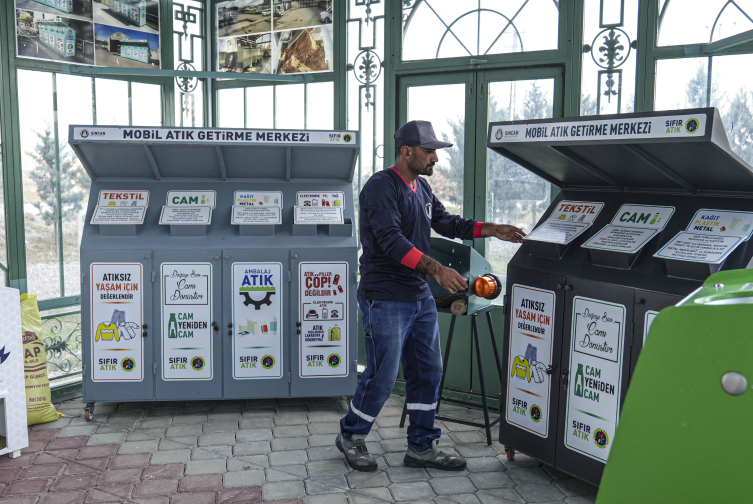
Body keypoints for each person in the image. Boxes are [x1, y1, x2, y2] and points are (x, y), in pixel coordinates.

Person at [335, 120, 526, 472]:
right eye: (429, 151)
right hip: (385, 297)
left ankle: (421, 446)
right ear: (406, 151)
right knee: (383, 374)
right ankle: (351, 435)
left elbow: (448, 223)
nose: (435, 158)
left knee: (428, 372)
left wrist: (492, 229)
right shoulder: (381, 187)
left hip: (418, 298)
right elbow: (392, 243)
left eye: (436, 151)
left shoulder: (420, 188)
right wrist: (439, 270)